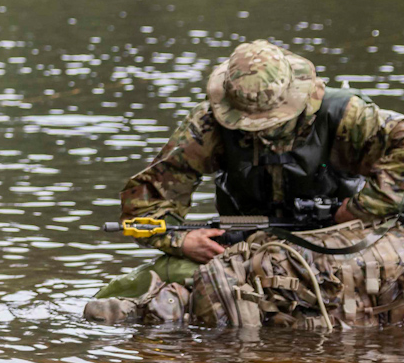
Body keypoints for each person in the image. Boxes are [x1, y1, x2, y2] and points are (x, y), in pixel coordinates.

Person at [103, 40, 404, 297]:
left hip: (344, 241)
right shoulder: (208, 126)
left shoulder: (345, 116)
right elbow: (145, 204)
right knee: (131, 289)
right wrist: (182, 241)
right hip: (248, 248)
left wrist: (363, 207)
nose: (261, 131)